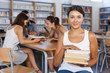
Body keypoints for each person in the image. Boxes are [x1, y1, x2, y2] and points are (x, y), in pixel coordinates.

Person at [54, 5, 98, 73]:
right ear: (68, 18)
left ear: (83, 18)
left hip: (84, 69)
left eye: (78, 17)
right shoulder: (63, 36)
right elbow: (56, 63)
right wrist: (63, 48)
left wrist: (84, 64)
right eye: (72, 17)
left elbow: (94, 59)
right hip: (65, 69)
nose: (75, 20)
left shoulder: (90, 35)